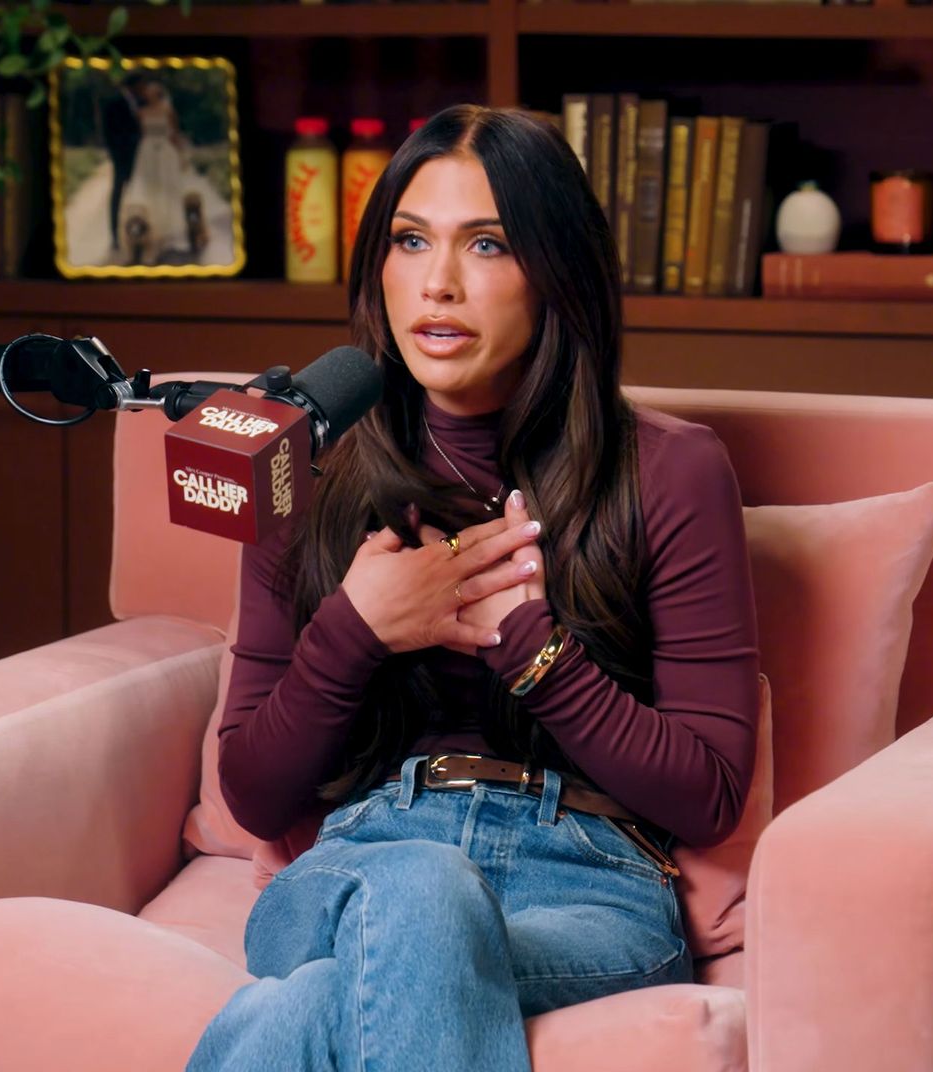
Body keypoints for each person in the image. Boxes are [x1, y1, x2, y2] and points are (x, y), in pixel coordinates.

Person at [187, 104, 760, 1071]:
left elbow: (709, 794)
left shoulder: (669, 472)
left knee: (308, 1006)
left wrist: (532, 651)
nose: (438, 283)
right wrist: (358, 629)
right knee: (419, 890)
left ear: (557, 273)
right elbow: (252, 790)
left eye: (487, 244)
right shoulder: (305, 468)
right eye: (410, 241)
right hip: (358, 869)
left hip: (589, 889)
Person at [119, 78, 193, 264]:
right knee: (149, 190)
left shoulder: (168, 110)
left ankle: (169, 233)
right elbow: (140, 133)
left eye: (152, 92)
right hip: (147, 153)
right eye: (147, 93)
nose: (148, 95)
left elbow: (174, 133)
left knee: (168, 189)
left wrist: (181, 157)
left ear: (158, 93)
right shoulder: (141, 112)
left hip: (166, 153)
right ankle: (150, 233)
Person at [101, 73, 146, 253]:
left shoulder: (143, 103)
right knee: (118, 195)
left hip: (141, 158)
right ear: (132, 86)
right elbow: (108, 132)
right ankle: (115, 236)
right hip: (121, 158)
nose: (143, 89)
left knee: (140, 197)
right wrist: (115, 155)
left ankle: (139, 234)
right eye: (140, 85)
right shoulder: (114, 103)